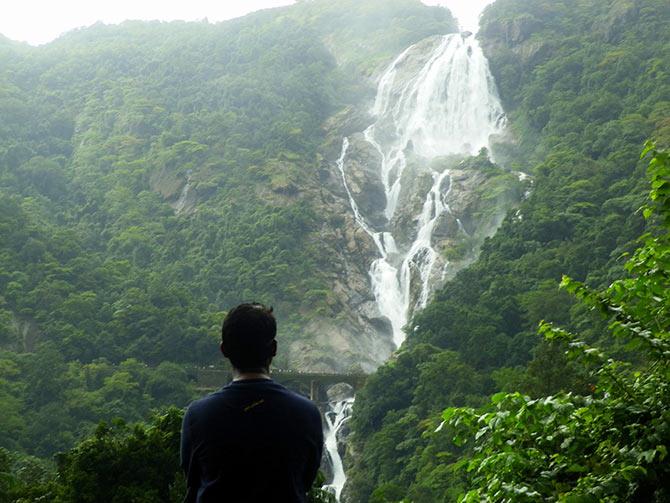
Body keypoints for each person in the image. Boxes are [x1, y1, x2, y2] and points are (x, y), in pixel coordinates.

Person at [180, 303, 324, 502]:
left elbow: (192, 479)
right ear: (274, 349)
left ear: (224, 349)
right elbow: (306, 480)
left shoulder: (197, 415)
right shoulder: (307, 413)